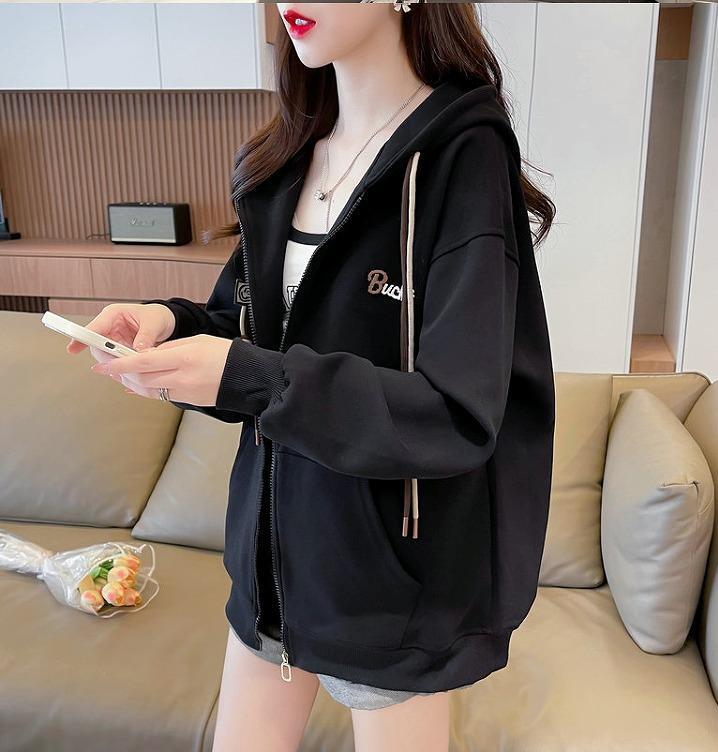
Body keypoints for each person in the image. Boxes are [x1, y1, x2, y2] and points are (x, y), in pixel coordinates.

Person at [69, 2, 556, 750]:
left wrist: (250, 378)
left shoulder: (462, 156)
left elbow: (456, 413)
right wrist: (172, 324)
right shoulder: (286, 158)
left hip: (388, 587)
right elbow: (252, 336)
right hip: (270, 566)